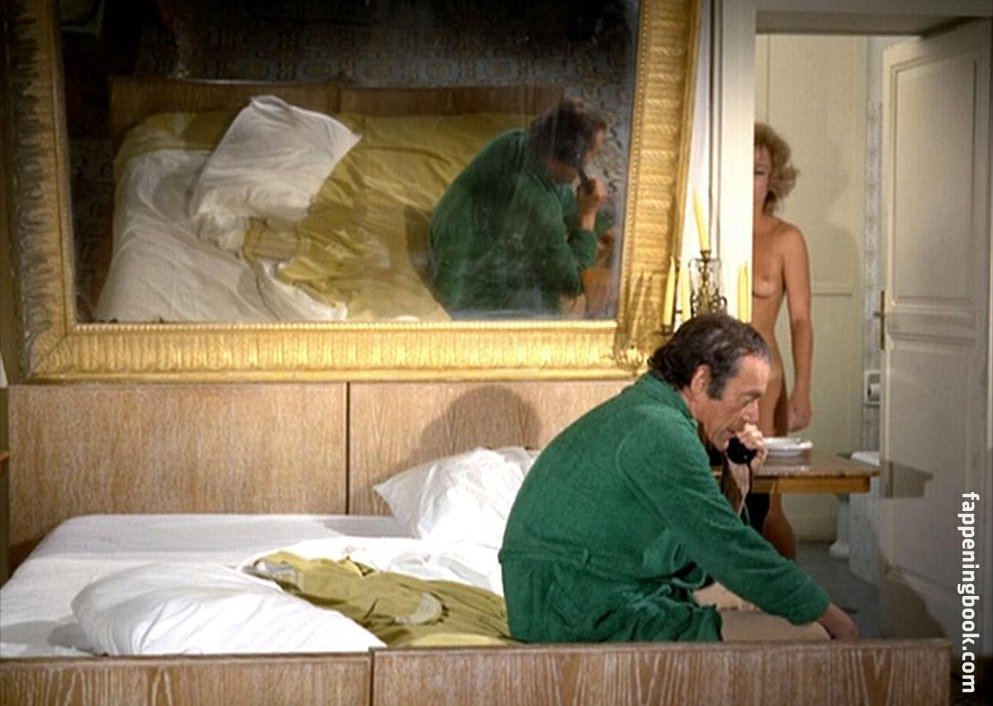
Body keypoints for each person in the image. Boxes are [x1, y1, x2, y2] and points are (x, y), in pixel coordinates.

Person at [499, 314, 858, 643]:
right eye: (748, 399)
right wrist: (835, 618)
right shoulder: (660, 432)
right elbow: (728, 550)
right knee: (814, 633)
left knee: (757, 601)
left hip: (577, 595)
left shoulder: (650, 413)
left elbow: (699, 553)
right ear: (702, 381)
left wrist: (737, 483)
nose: (754, 416)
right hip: (578, 612)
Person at [428, 97, 613, 317]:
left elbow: (558, 193)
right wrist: (588, 217)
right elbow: (572, 281)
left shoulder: (520, 141)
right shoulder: (536, 203)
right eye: (591, 157)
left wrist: (605, 226)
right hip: (463, 286)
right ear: (574, 158)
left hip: (447, 239)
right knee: (586, 302)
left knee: (604, 248)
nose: (590, 167)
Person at [747, 122, 812, 560]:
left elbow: (801, 320)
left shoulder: (786, 238)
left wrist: (802, 391)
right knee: (722, 498)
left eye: (759, 172)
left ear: (773, 178)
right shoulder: (713, 228)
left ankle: (793, 594)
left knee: (767, 504)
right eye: (743, 170)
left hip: (767, 382)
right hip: (718, 382)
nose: (751, 182)